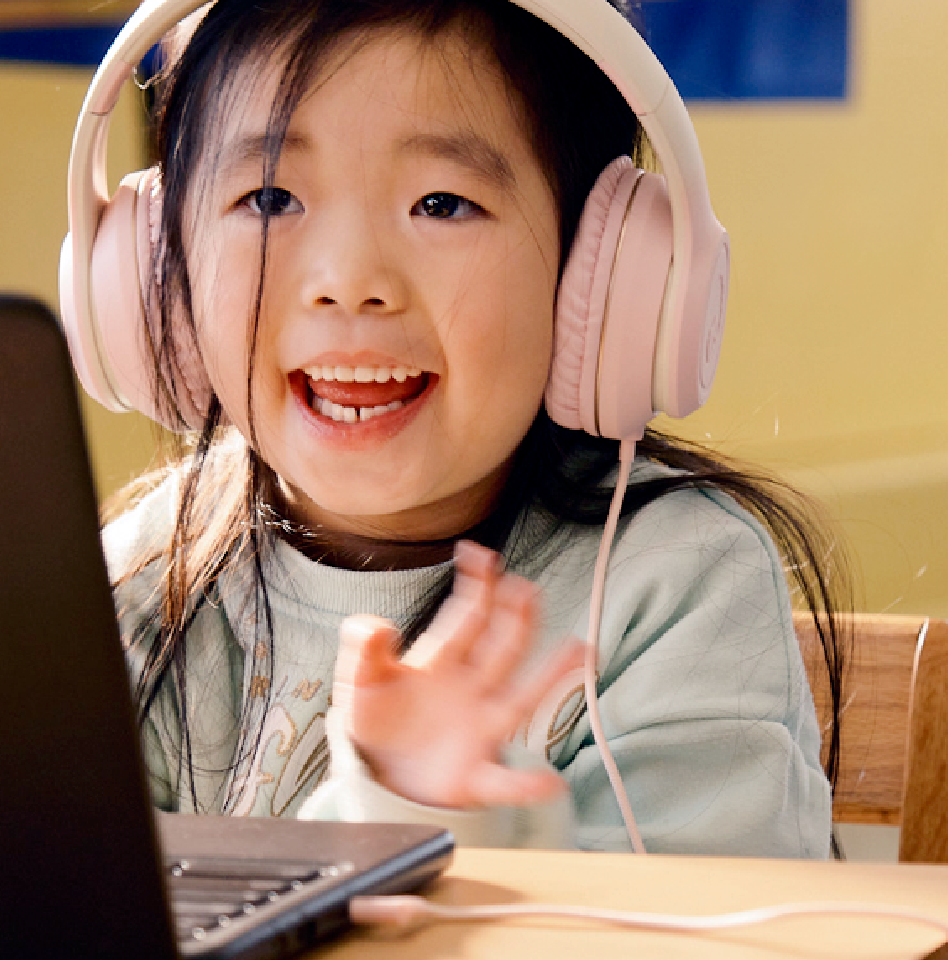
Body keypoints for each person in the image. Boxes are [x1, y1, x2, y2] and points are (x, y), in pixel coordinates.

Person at [70, 0, 850, 857]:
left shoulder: (675, 589)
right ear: (158, 276)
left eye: (442, 203)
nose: (349, 282)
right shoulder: (140, 583)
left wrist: (424, 817)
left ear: (608, 266)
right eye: (268, 197)